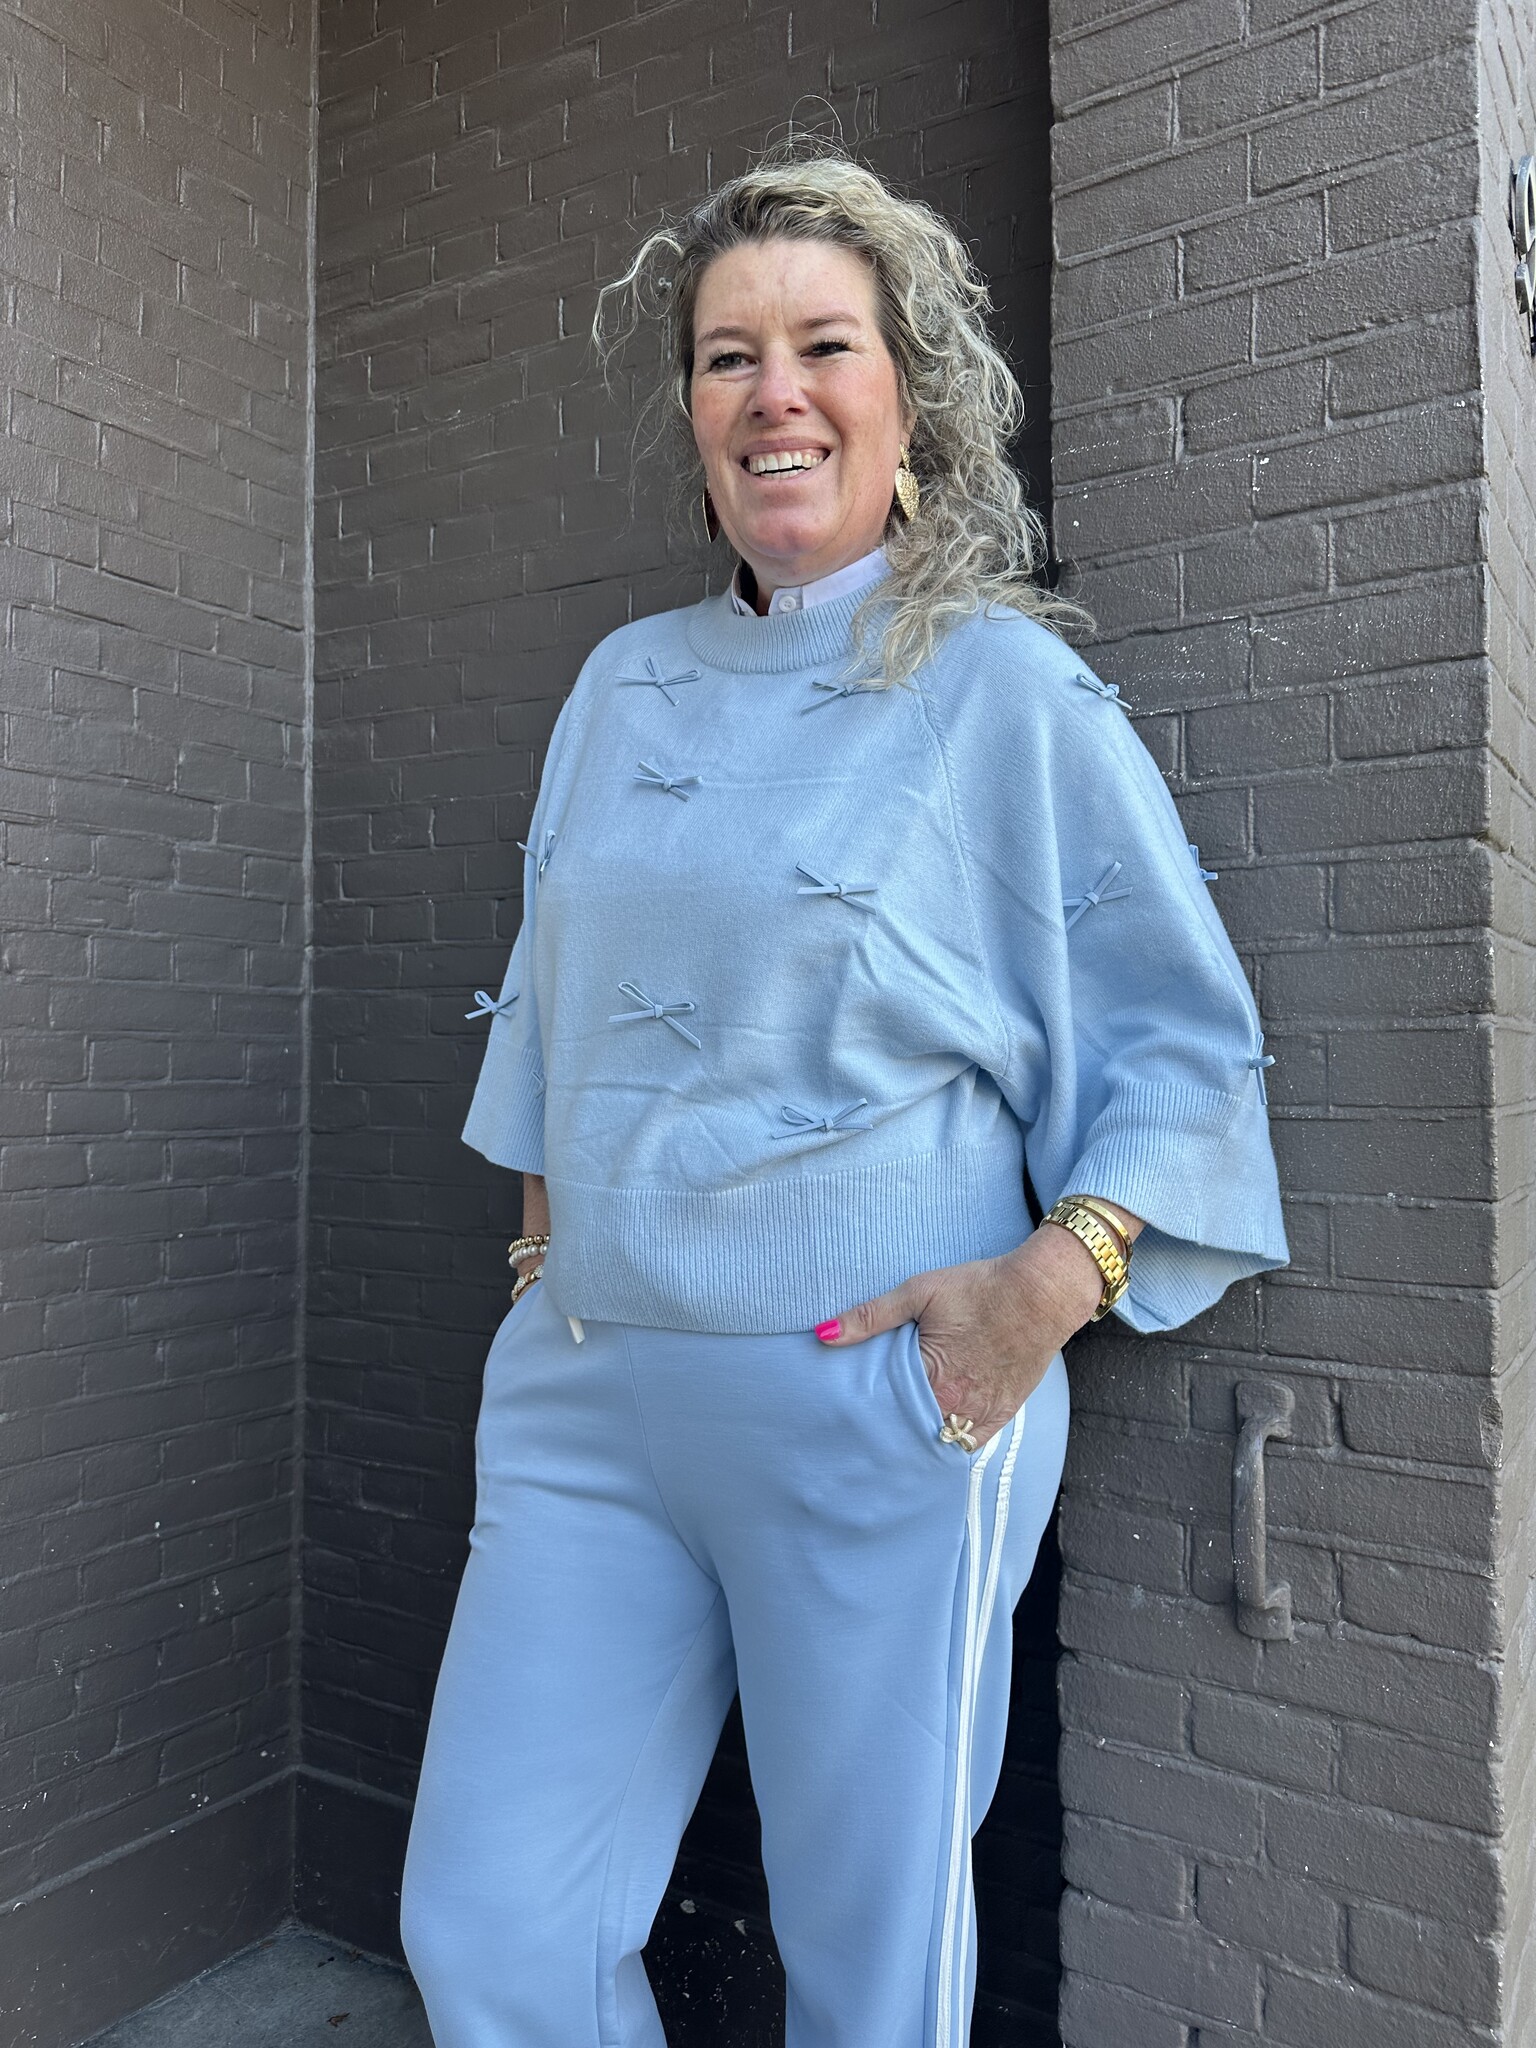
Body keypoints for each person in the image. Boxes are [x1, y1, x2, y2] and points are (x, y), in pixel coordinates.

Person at [398, 140, 1288, 2048]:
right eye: (728, 357)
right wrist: (546, 1264)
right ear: (694, 414)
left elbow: (1184, 1041)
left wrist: (1044, 1290)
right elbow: (549, 1008)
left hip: (876, 1413)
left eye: (823, 345)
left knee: (871, 1971)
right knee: (488, 1924)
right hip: (588, 1408)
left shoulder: (1002, 692)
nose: (773, 393)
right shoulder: (619, 686)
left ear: (910, 393)